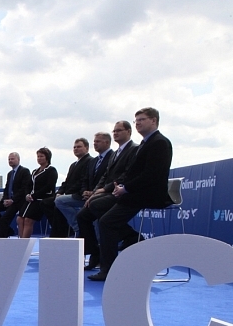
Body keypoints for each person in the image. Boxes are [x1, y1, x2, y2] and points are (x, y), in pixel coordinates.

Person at [88, 108, 173, 282]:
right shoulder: (145, 143)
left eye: (142, 119)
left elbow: (151, 175)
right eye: (136, 120)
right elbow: (132, 173)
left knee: (107, 222)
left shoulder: (159, 142)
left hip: (147, 194)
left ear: (154, 121)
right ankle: (131, 238)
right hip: (135, 192)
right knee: (97, 208)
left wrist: (125, 188)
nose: (138, 123)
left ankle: (109, 269)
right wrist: (120, 186)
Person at [78, 121, 138, 270]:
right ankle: (94, 252)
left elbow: (127, 174)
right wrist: (95, 192)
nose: (115, 133)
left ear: (129, 132)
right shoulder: (116, 153)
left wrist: (105, 189)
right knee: (82, 215)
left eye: (119, 130)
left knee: (97, 208)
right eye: (114, 131)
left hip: (123, 192)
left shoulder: (134, 149)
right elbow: (105, 176)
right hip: (108, 192)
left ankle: (131, 236)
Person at [50, 138, 93, 236]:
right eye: (74, 147)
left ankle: (77, 226)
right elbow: (66, 182)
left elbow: (82, 181)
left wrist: (66, 193)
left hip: (80, 194)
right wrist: (60, 192)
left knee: (59, 202)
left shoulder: (90, 161)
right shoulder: (73, 165)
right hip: (70, 193)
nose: (76, 149)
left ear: (86, 148)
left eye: (79, 147)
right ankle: (58, 235)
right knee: (50, 203)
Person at [0, 152, 31, 238]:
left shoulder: (24, 171)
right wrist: (5, 199)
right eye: (9, 159)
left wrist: (12, 200)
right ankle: (8, 229)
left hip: (18, 202)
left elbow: (24, 189)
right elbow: (7, 188)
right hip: (8, 200)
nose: (10, 161)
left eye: (12, 159)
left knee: (4, 219)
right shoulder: (10, 174)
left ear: (18, 160)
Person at [17, 148, 58, 238]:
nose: (39, 158)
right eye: (38, 156)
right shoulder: (35, 171)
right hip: (30, 199)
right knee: (19, 219)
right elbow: (28, 185)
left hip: (42, 199)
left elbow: (49, 186)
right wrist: (27, 194)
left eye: (41, 156)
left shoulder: (51, 170)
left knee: (28, 220)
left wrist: (34, 196)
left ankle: (24, 242)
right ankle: (20, 241)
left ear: (47, 157)